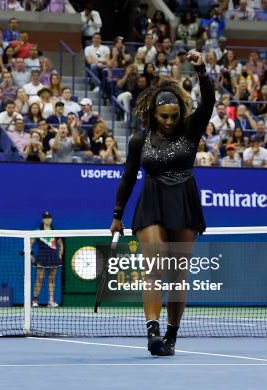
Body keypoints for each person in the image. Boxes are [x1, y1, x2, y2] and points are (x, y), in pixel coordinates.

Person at [110, 50, 214, 357]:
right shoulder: (138, 141)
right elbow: (128, 179)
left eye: (174, 116)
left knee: (178, 272)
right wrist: (117, 214)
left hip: (183, 199)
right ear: (153, 114)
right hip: (152, 201)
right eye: (163, 116)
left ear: (180, 113)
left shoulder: (191, 130)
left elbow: (208, 102)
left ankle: (171, 335)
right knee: (155, 265)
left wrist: (202, 71)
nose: (169, 121)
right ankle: (152, 331)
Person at [32, 211, 63, 308]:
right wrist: (31, 255)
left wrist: (59, 255)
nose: (47, 219)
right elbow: (30, 243)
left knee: (52, 280)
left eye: (49, 218)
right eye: (46, 218)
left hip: (53, 257)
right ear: (43, 219)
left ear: (51, 219)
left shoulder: (55, 231)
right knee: (39, 279)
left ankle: (51, 301)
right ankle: (35, 300)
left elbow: (61, 245)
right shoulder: (38, 231)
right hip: (42, 257)